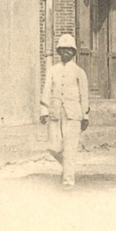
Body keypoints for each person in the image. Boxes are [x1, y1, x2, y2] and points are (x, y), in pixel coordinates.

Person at [40, 33, 90, 188]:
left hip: (73, 113)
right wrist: (44, 111)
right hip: (55, 112)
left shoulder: (79, 72)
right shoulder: (52, 70)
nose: (66, 52)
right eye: (63, 49)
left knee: (70, 147)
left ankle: (68, 181)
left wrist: (85, 115)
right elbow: (47, 90)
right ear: (59, 51)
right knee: (54, 147)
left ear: (74, 52)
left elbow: (84, 94)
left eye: (69, 50)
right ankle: (69, 166)